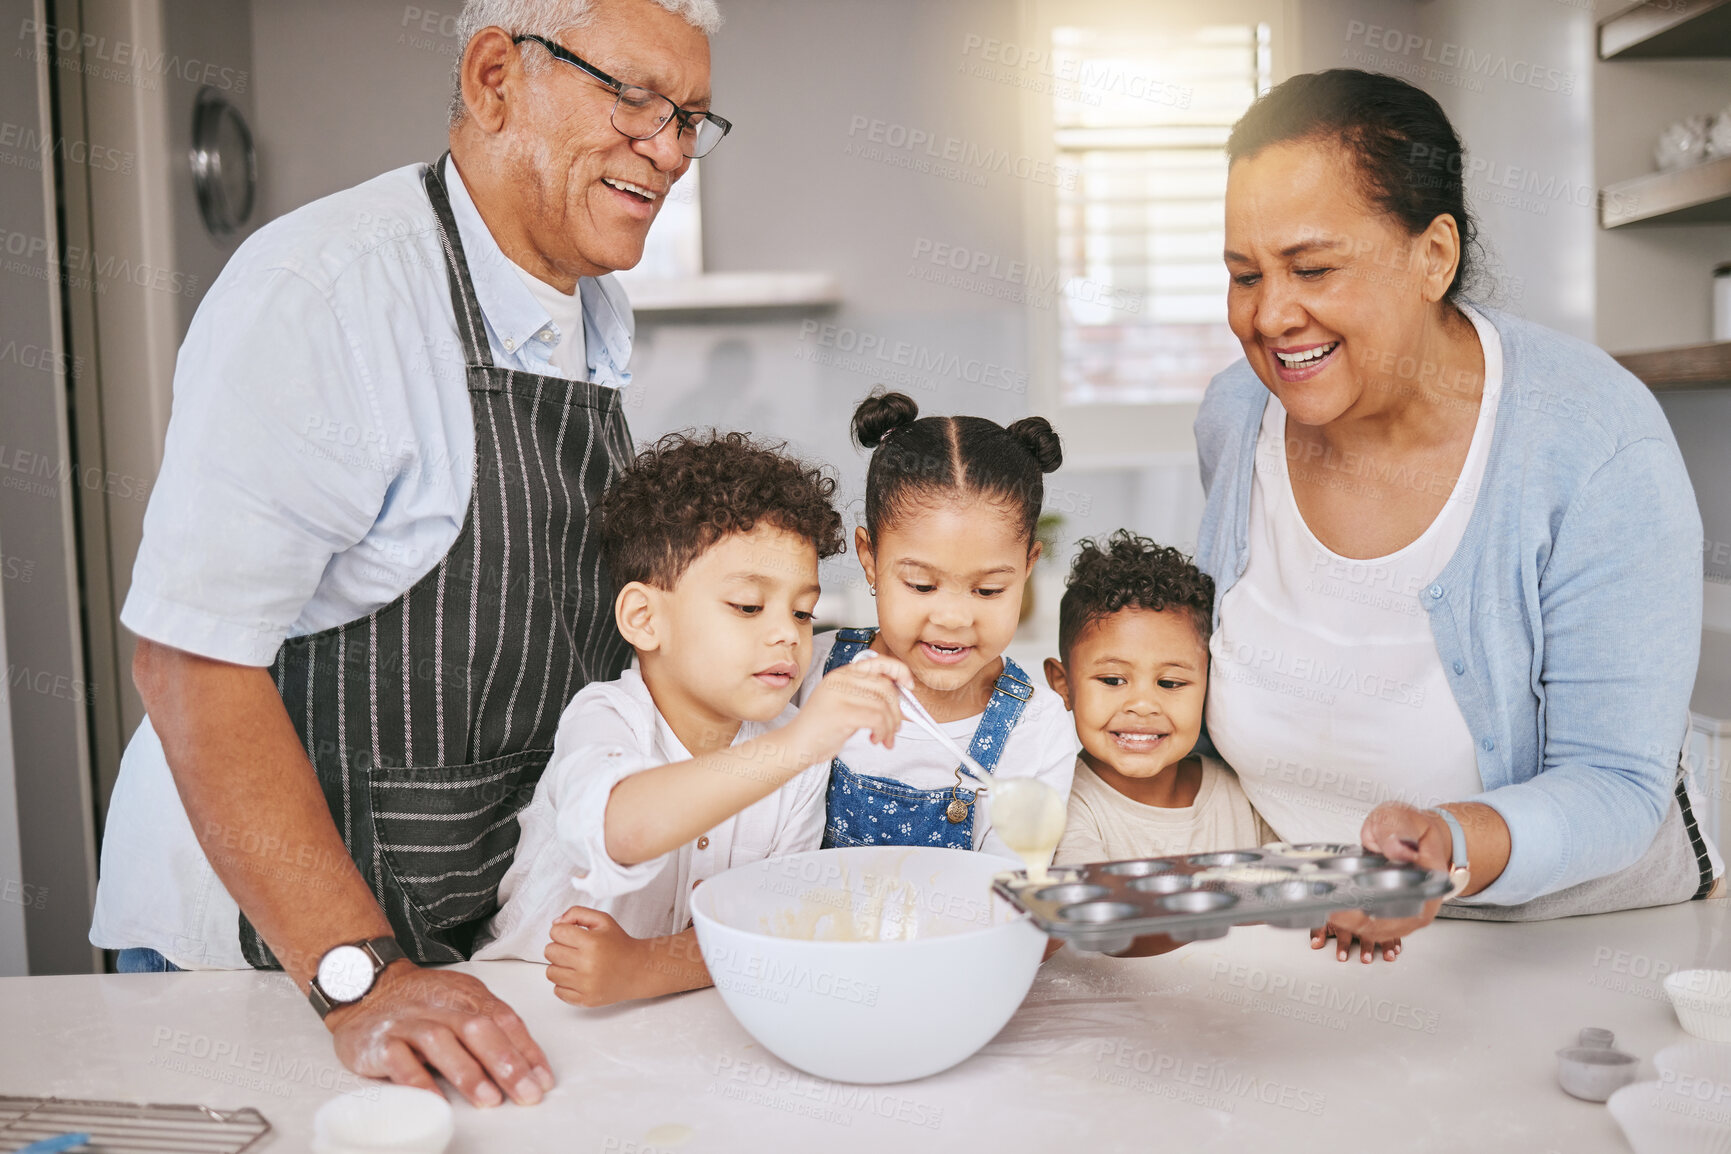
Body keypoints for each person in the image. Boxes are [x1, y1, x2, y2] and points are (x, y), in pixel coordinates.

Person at [88, 0, 728, 1105]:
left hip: (449, 930)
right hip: (278, 956)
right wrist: (357, 974)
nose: (668, 148)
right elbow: (190, 662)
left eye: (690, 119)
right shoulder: (328, 294)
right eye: (633, 99)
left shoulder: (591, 311)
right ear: (493, 78)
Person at [1195, 69, 1722, 964]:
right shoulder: (1233, 415)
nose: (1270, 314)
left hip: (1561, 955)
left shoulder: (1593, 443)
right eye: (1244, 275)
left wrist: (1447, 845)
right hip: (1303, 944)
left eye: (1313, 268)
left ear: (1433, 256)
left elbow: (1616, 787)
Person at [474, 432, 908, 1005]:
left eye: (803, 612)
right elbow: (622, 828)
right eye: (748, 606)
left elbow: (772, 927)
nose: (787, 633)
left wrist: (646, 967)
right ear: (644, 618)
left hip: (680, 1018)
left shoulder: (797, 762)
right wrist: (801, 743)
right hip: (520, 1002)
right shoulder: (607, 718)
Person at [803, 392, 1078, 860]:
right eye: (921, 585)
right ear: (869, 559)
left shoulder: (1038, 728)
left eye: (988, 591)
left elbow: (1006, 896)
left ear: (1029, 566)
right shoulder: (808, 671)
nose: (952, 619)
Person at [1044, 531, 1271, 868]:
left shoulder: (1245, 793)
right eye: (1112, 680)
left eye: (1170, 682)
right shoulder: (1061, 805)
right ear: (1063, 685)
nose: (1143, 704)